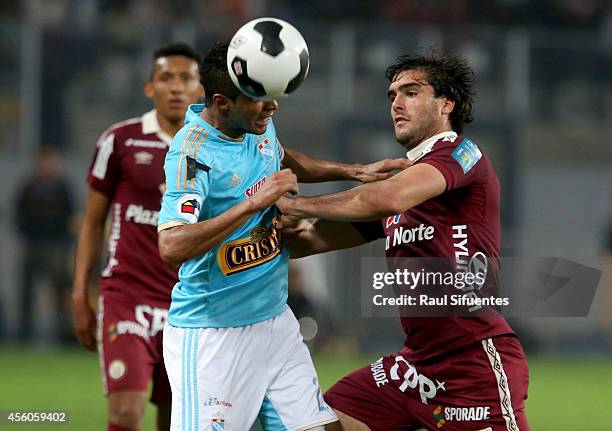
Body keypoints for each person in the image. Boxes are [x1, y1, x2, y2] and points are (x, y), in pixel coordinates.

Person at [157, 41, 408, 431]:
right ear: (223, 102)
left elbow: (278, 155)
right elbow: (172, 246)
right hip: (212, 337)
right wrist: (253, 204)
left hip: (275, 324)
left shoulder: (255, 122)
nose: (272, 107)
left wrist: (354, 170)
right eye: (260, 100)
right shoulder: (191, 155)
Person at [277, 53, 531, 430]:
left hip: (472, 361)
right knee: (319, 422)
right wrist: (250, 213)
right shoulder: (406, 185)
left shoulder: (462, 154)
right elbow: (307, 241)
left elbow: (383, 198)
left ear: (446, 104)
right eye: (392, 94)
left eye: (411, 92)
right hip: (415, 367)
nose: (396, 102)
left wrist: (298, 204)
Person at [71, 43, 204, 431]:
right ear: (150, 88)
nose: (176, 87)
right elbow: (92, 222)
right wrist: (81, 292)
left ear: (200, 90)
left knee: (176, 419)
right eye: (166, 78)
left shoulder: (210, 148)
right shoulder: (120, 140)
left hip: (187, 305)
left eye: (186, 78)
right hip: (127, 296)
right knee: (126, 415)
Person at [15, 146, 74, 343]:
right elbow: (18, 213)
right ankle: (25, 332)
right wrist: (28, 233)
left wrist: (63, 240)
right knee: (27, 291)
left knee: (59, 290)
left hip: (55, 246)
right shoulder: (29, 186)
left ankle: (63, 332)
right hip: (33, 244)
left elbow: (70, 214)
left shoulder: (62, 187)